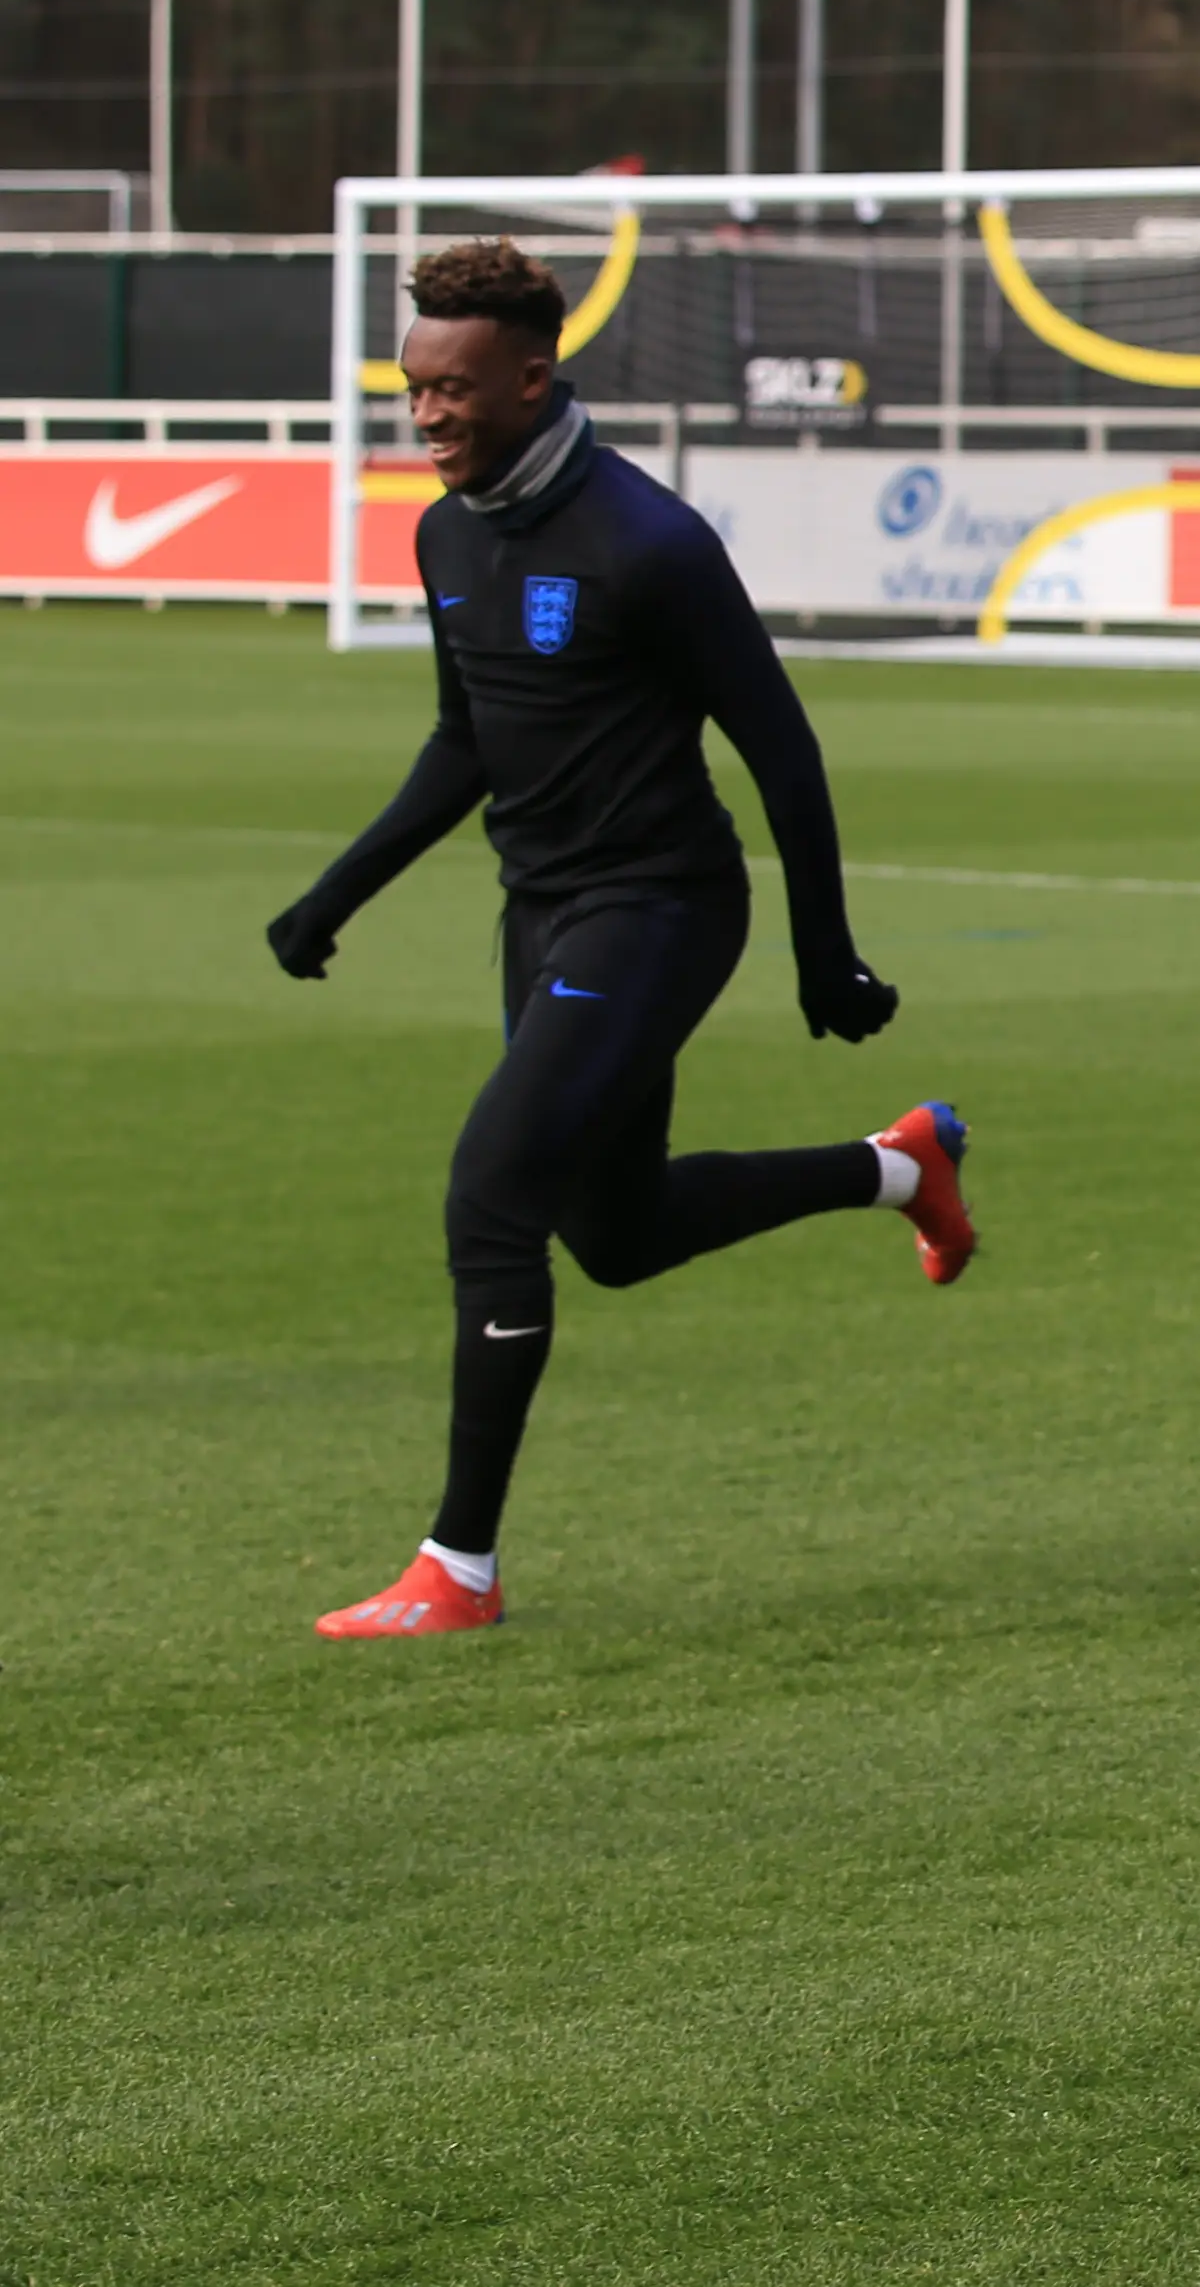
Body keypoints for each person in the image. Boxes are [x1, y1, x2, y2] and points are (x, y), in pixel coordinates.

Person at [269, 238, 976, 1641]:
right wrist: (336, 893)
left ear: (533, 378)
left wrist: (821, 953)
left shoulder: (649, 542)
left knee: (492, 1195)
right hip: (543, 915)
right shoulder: (447, 533)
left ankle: (456, 1569)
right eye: (412, 390)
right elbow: (463, 741)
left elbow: (782, 752)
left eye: (454, 391)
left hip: (661, 909)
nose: (428, 417)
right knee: (617, 1232)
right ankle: (899, 1168)